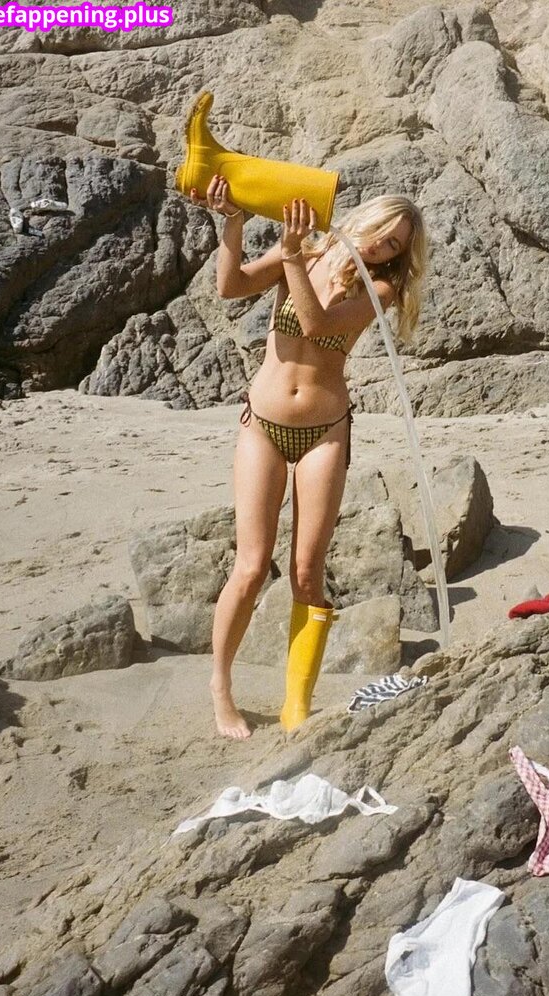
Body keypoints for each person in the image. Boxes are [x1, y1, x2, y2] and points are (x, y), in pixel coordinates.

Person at [188, 176, 427, 739]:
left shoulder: (380, 289)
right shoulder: (308, 251)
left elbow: (317, 323)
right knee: (251, 566)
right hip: (262, 426)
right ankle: (221, 687)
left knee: (306, 572)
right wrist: (234, 223)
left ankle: (297, 704)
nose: (379, 246)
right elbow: (230, 286)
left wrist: (292, 255)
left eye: (394, 245)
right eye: (380, 231)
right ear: (364, 217)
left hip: (325, 432)